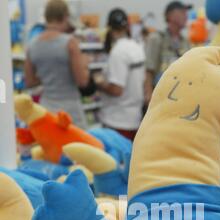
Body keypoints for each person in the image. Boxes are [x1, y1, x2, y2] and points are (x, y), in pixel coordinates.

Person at [25, 0, 89, 129]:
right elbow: (82, 81)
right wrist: (85, 64)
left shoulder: (32, 45)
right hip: (70, 111)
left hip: (46, 108)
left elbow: (30, 81)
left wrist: (47, 76)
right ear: (65, 16)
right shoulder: (70, 43)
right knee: (75, 147)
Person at [95, 9, 146, 141]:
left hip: (117, 121)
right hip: (134, 119)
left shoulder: (118, 52)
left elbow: (117, 89)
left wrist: (99, 82)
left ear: (109, 28)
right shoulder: (137, 47)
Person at [144, 1, 192, 103]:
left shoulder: (185, 42)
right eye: (182, 12)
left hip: (179, 97)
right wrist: (148, 96)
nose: (186, 16)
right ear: (170, 15)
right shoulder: (156, 39)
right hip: (159, 97)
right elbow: (148, 70)